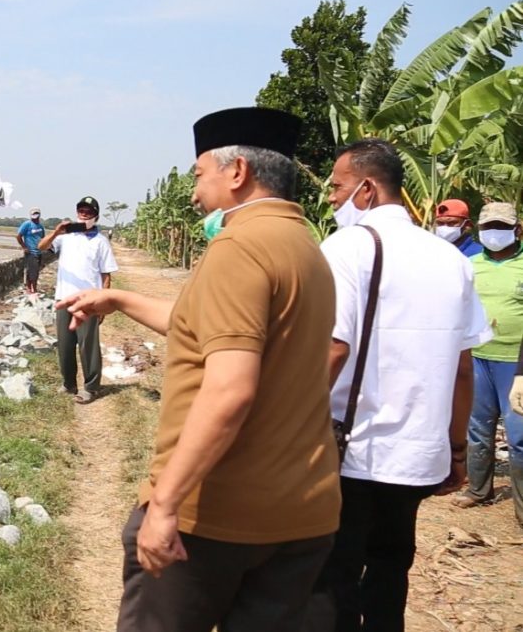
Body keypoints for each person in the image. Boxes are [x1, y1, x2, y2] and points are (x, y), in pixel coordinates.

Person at [59, 107, 341, 631]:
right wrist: (118, 299)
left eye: (199, 175)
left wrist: (166, 503)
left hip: (219, 517)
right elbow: (207, 329)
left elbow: (230, 389)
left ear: (237, 173)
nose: (194, 193)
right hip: (300, 512)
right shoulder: (305, 247)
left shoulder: (240, 247)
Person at [309, 139, 490, 632]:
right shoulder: (450, 259)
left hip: (351, 449)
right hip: (416, 455)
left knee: (336, 575)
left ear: (366, 189)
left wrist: (284, 428)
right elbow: (463, 367)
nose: (331, 198)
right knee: (392, 571)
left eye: (338, 187)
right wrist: (455, 451)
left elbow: (334, 348)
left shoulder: (346, 248)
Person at [453, 202, 523, 526]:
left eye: (501, 226)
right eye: (488, 227)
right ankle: (478, 491)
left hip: (515, 363)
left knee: (518, 434)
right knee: (478, 427)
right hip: (479, 356)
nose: (494, 233)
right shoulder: (470, 264)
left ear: (517, 229)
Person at [37, 195, 117, 404]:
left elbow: (106, 275)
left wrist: (103, 305)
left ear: (96, 216)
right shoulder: (66, 237)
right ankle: (69, 383)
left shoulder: (101, 241)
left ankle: (91, 387)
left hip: (89, 302)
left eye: (89, 211)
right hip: (64, 298)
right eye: (81, 210)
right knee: (65, 344)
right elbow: (41, 247)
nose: (84, 214)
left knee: (87, 344)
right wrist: (56, 232)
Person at [16, 207, 46, 295]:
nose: (35, 216)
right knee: (32, 271)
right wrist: (24, 247)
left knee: (35, 271)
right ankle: (31, 289)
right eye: (33, 214)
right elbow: (18, 236)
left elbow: (43, 238)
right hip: (30, 252)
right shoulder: (27, 224)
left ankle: (32, 288)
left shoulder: (40, 226)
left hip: (39, 252)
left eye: (36, 214)